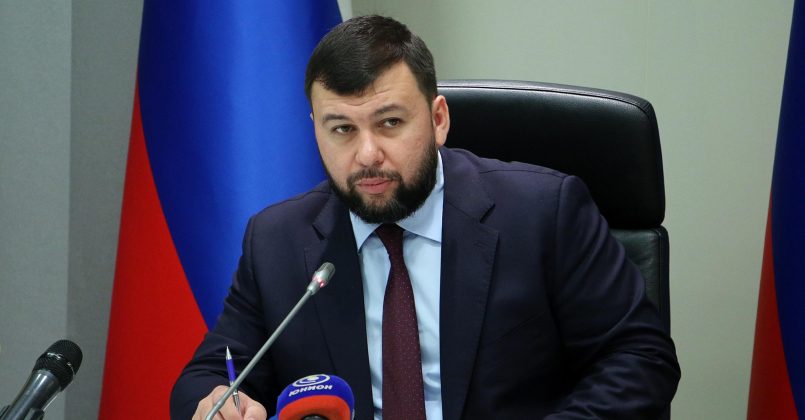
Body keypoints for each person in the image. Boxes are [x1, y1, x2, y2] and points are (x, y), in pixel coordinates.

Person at [171, 15, 680, 420]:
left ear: (438, 120)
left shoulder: (544, 212)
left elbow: (639, 358)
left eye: (390, 122)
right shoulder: (277, 240)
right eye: (342, 129)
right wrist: (220, 403)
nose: (367, 154)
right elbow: (210, 373)